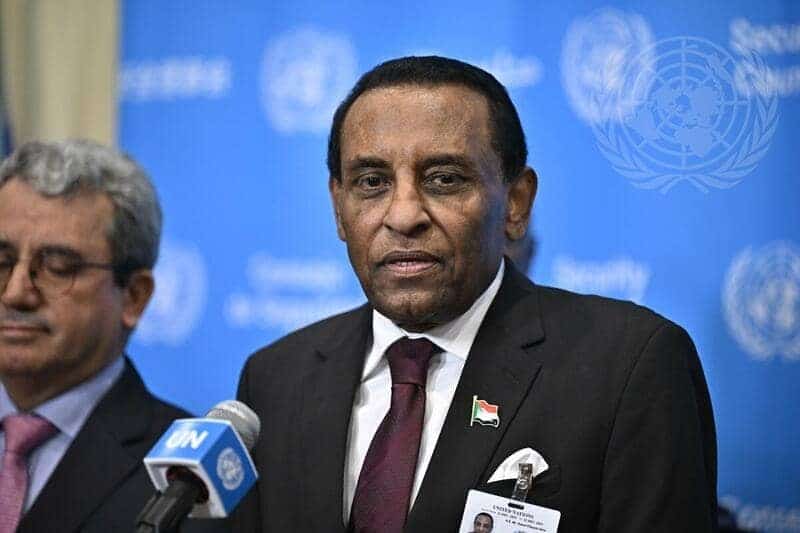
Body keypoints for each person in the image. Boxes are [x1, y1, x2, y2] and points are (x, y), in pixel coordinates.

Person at [235, 56, 717, 532]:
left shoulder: (628, 366)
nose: (403, 216)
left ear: (516, 203)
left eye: (444, 179)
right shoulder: (274, 380)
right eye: (372, 182)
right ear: (339, 208)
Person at [0, 140, 227, 533]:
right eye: (2, 261)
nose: (16, 292)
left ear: (134, 296)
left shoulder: (189, 479)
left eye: (57, 267)